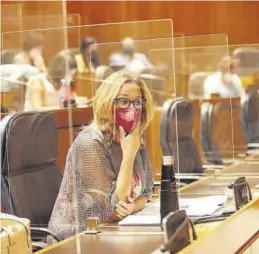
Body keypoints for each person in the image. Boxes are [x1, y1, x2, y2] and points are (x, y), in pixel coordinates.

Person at [48, 70, 154, 240]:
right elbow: (111, 210)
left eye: (137, 102)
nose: (131, 108)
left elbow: (147, 192)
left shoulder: (134, 137)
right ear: (108, 103)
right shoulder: (89, 143)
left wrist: (133, 207)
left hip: (116, 232)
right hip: (78, 237)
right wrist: (128, 155)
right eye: (124, 101)